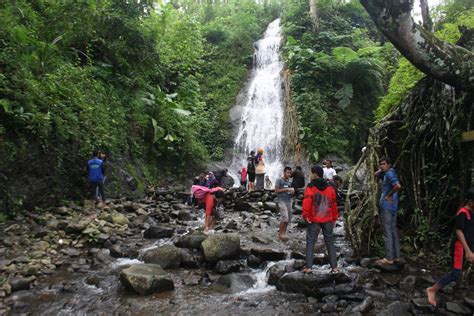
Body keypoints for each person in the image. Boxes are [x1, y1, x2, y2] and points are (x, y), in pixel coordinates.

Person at [427, 188, 474, 306]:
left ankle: (458, 289)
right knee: (456, 273)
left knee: (458, 274)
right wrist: (468, 251)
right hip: (459, 247)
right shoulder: (463, 213)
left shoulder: (472, 213)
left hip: (469, 245)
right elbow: (458, 231)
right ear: (471, 202)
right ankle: (432, 290)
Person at [302, 165, 339, 274]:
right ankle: (334, 268)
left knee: (310, 242)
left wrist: (305, 215)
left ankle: (309, 267)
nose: (310, 175)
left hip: (314, 219)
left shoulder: (311, 186)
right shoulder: (329, 187)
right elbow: (333, 204)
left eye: (311, 173)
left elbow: (307, 201)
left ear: (315, 174)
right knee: (330, 242)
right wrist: (334, 218)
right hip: (328, 218)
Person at [375, 157, 402, 265]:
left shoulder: (390, 174)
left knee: (387, 232)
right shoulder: (388, 173)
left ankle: (389, 258)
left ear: (389, 164)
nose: (382, 166)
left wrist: (388, 196)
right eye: (381, 164)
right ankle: (397, 257)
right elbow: (375, 174)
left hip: (387, 207)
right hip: (393, 207)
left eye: (384, 164)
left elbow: (397, 186)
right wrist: (381, 169)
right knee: (393, 231)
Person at [275, 167, 295, 241]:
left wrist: (292, 192)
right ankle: (280, 234)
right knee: (285, 218)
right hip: (281, 201)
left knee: (288, 218)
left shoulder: (289, 182)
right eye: (287, 172)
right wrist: (286, 189)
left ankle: (283, 233)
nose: (289, 174)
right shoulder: (279, 180)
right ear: (284, 172)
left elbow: (290, 193)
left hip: (289, 201)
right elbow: (276, 191)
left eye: (290, 173)